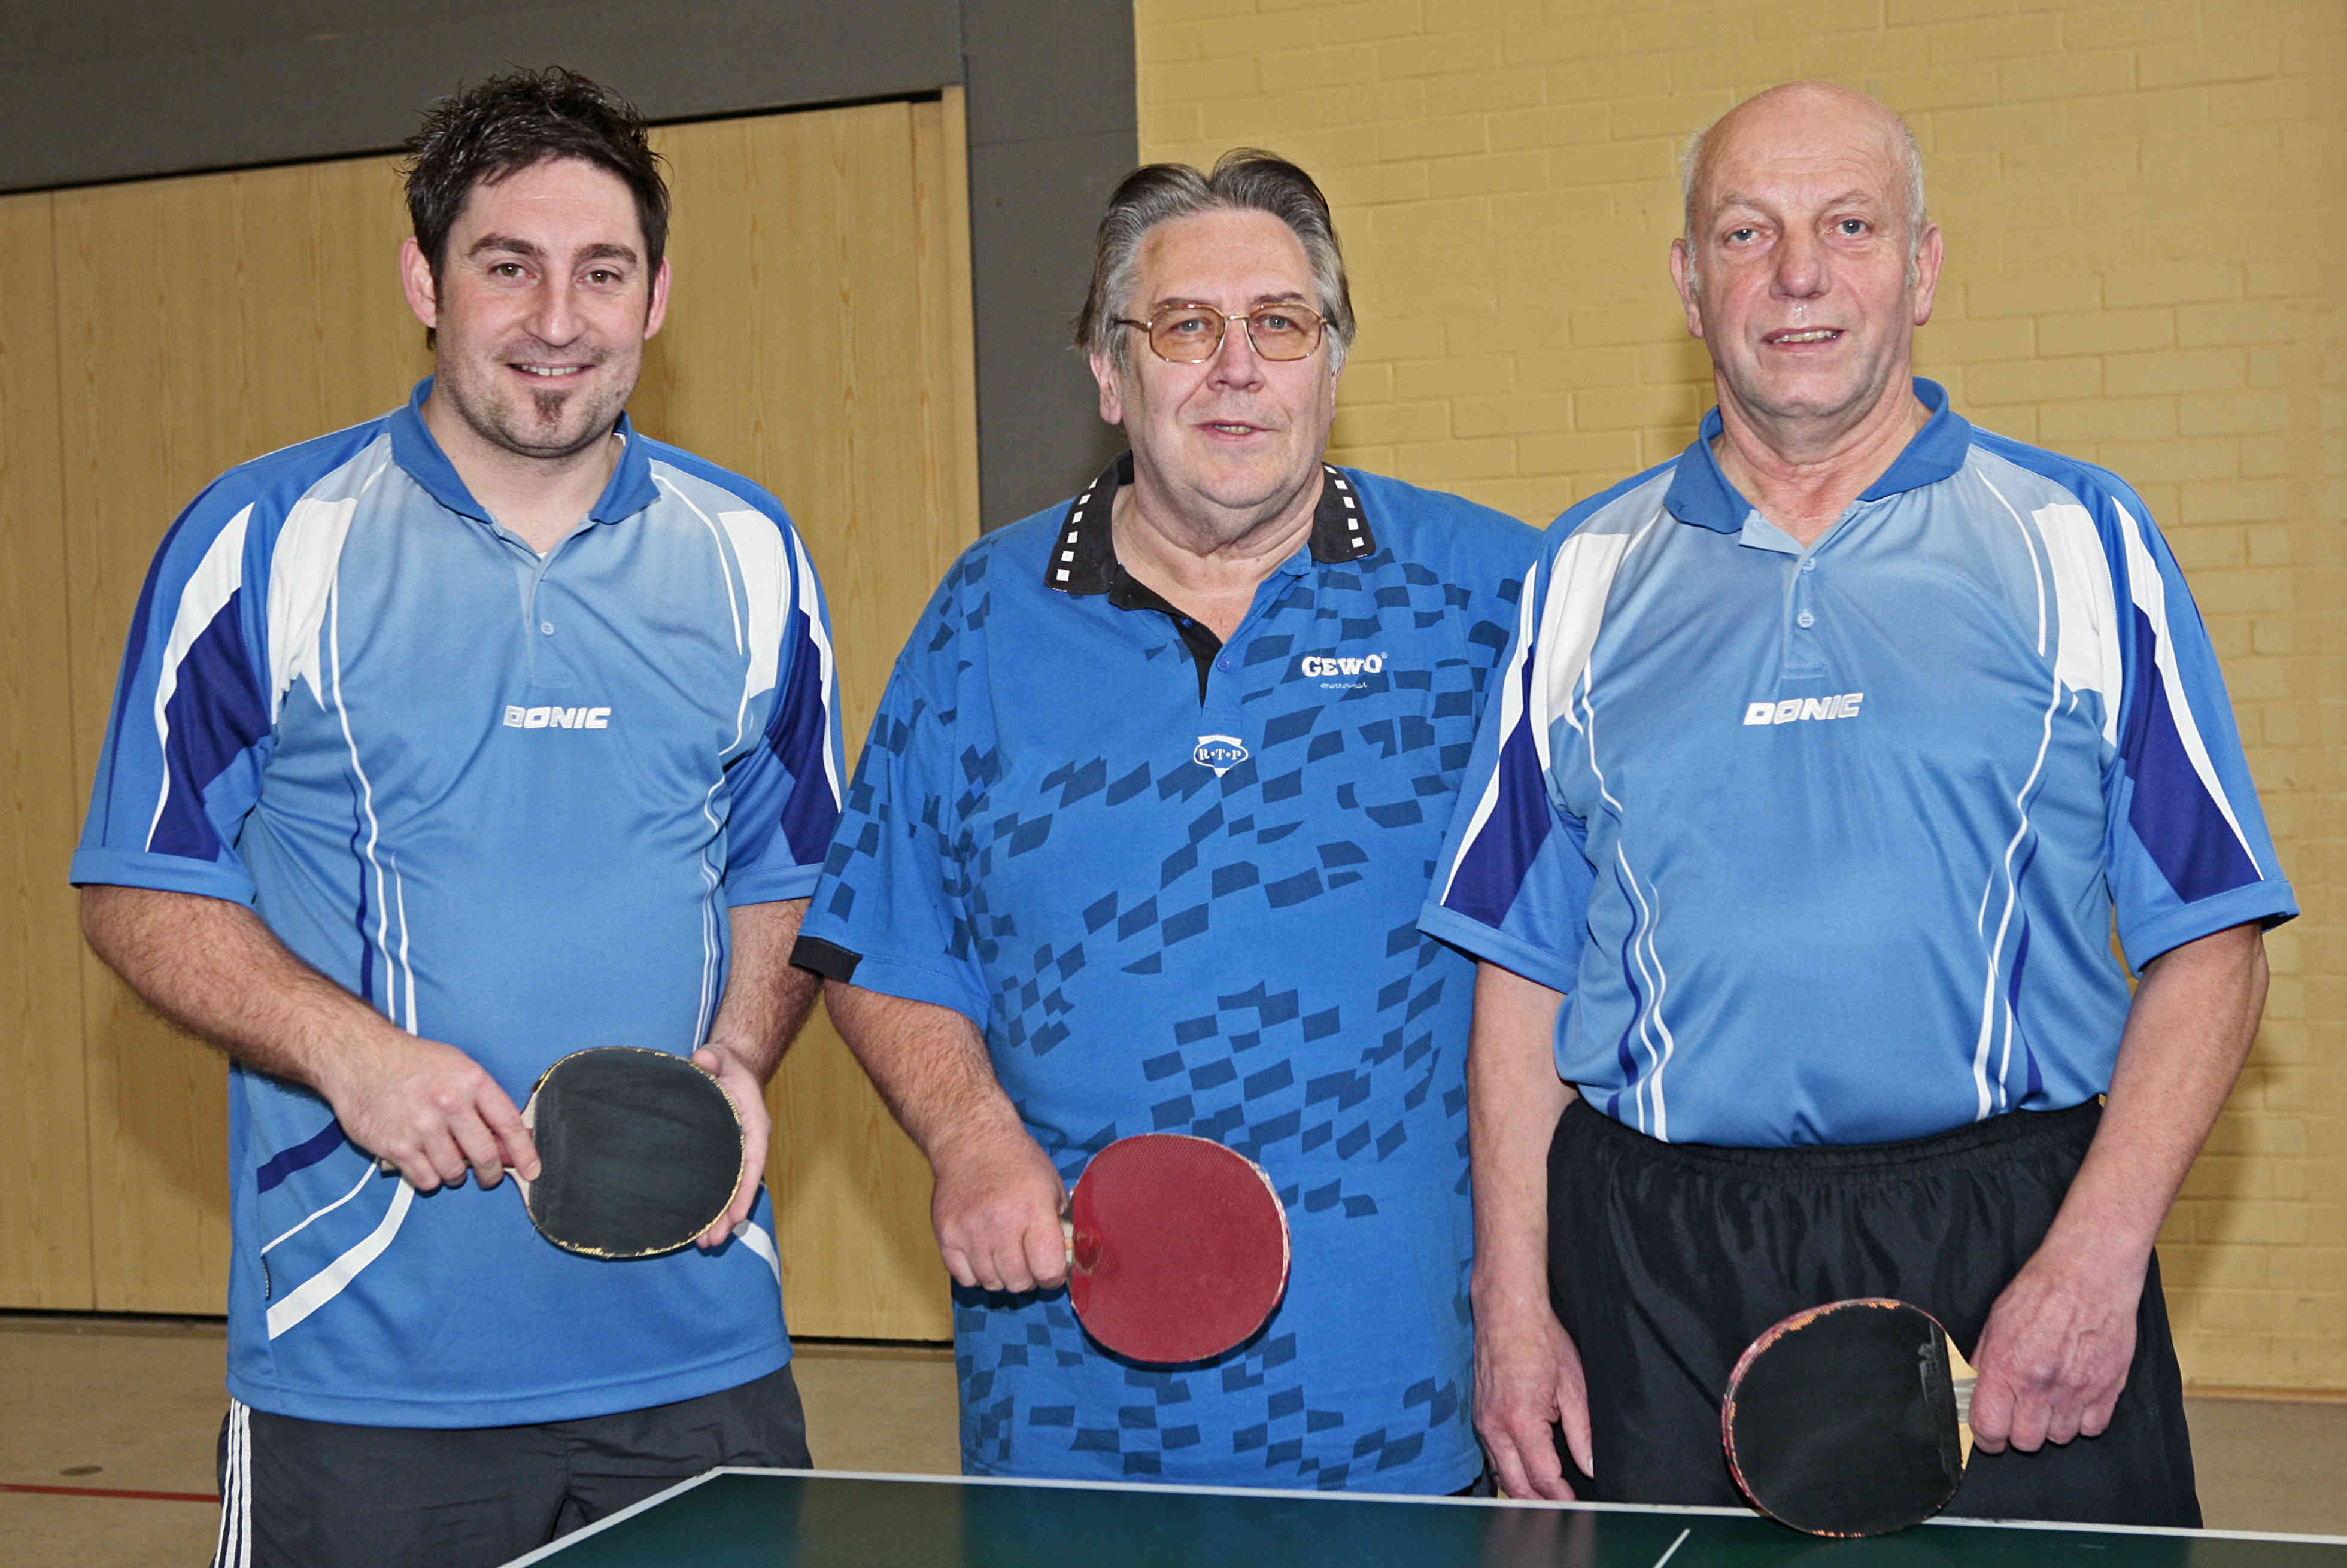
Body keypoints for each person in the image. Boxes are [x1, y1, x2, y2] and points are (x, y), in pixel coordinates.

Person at [1420, 81, 2294, 1525]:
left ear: (1922, 267)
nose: (1796, 275)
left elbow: (2212, 939)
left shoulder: (2078, 540)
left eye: (1847, 226)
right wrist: (1511, 1303)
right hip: (1653, 1266)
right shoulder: (1580, 573)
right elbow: (1519, 973)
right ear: (1687, 284)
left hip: (2007, 1246)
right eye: (1745, 232)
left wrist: (2095, 1255)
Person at [71, 68, 840, 1568]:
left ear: (656, 296)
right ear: (425, 282)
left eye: (601, 271)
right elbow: (140, 883)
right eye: (508, 266)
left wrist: (743, 1053)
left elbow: (788, 863)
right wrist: (347, 1049)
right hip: (363, 1366)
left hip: (699, 1352)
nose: (557, 318)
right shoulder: (267, 539)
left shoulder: (750, 551)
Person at [791, 151, 1538, 1492]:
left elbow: (1571, 961)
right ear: (1107, 370)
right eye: (1185, 326)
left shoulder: (1490, 599)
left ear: (1332, 361)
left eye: (1281, 323)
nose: (1236, 368)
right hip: (1064, 1402)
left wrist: (1532, 1299)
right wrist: (969, 1136)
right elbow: (879, 934)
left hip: (1403, 1391)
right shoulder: (983, 617)